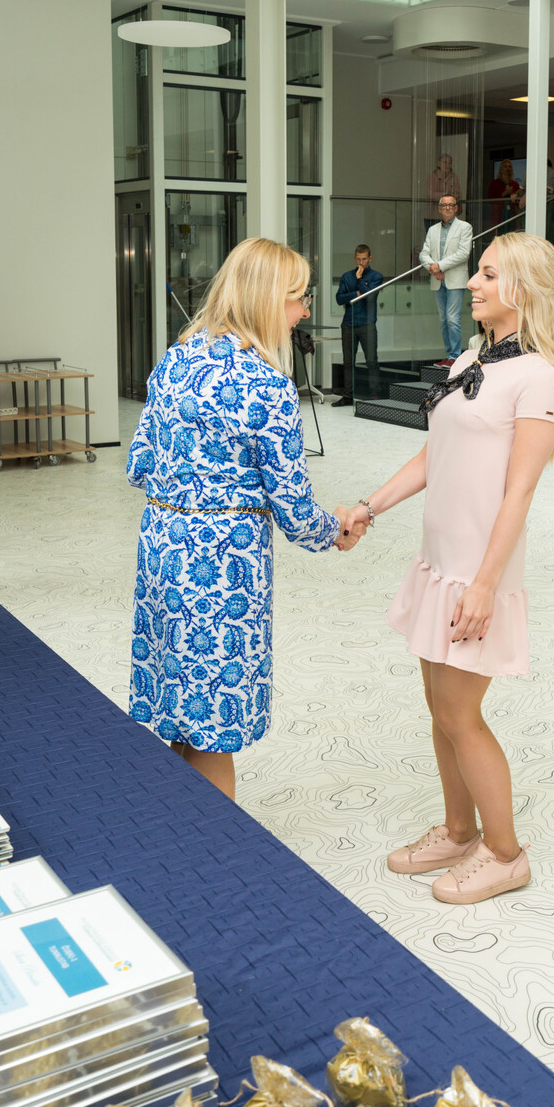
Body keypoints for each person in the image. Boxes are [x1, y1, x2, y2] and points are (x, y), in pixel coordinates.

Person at [341, 233, 554, 905]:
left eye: (488, 274)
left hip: (478, 570)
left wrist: (485, 584)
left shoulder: (537, 378)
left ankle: (504, 853)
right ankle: (459, 829)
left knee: (459, 712)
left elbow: (518, 493)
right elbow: (432, 456)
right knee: (439, 708)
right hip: (439, 561)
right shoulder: (472, 358)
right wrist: (368, 507)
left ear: (522, 290)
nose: (471, 282)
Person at [126, 237, 364, 801]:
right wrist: (336, 530)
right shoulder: (266, 384)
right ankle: (215, 847)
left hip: (162, 549)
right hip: (221, 569)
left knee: (182, 713)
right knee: (214, 730)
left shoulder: (176, 358)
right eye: (298, 298)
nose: (304, 311)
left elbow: (137, 464)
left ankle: (174, 831)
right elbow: (294, 509)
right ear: (266, 299)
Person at [419, 195, 474, 366]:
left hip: (455, 279)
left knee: (452, 319)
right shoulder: (432, 230)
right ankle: (449, 354)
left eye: (451, 205)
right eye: (444, 205)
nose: (448, 208)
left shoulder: (465, 227)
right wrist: (432, 268)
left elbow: (463, 253)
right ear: (439, 209)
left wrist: (440, 266)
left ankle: (455, 357)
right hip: (438, 279)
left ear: (456, 208)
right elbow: (423, 253)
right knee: (443, 320)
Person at [334, 243, 384, 407]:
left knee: (371, 361)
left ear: (370, 258)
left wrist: (360, 279)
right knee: (348, 362)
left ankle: (374, 395)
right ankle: (347, 396)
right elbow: (339, 299)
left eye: (364, 259)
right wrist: (355, 293)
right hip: (349, 324)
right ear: (354, 258)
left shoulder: (376, 276)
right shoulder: (346, 276)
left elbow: (370, 297)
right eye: (358, 259)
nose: (361, 263)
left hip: (367, 324)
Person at [425, 153, 462, 232]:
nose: (447, 165)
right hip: (433, 215)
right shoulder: (432, 177)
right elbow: (430, 194)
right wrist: (446, 195)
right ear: (438, 163)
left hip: (450, 215)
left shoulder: (454, 177)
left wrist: (448, 196)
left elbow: (458, 194)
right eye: (445, 162)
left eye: (449, 163)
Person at [487, 159, 521, 228]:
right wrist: (504, 194)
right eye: (505, 166)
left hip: (511, 213)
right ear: (501, 169)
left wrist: (512, 193)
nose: (508, 168)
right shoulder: (495, 183)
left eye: (510, 166)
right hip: (498, 214)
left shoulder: (515, 184)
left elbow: (518, 203)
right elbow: (490, 199)